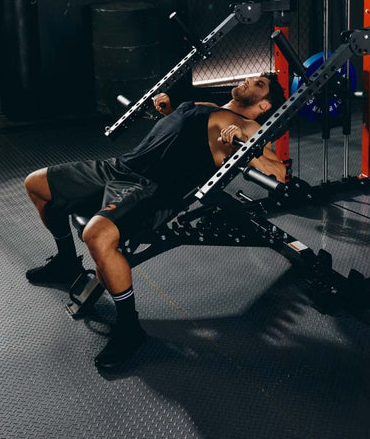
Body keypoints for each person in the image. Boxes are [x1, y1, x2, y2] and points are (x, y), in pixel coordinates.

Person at [23, 73, 287, 370]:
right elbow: (186, 137)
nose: (250, 80)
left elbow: (277, 173)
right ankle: (66, 262)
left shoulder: (249, 128)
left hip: (150, 190)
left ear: (264, 106)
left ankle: (129, 328)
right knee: (36, 184)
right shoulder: (207, 105)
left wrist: (246, 148)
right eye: (253, 78)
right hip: (120, 167)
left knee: (96, 235)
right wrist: (169, 113)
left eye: (259, 84)